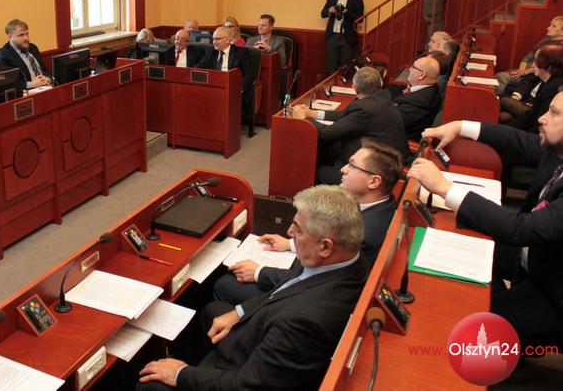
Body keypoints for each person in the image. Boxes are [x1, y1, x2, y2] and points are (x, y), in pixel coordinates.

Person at [137, 185, 367, 390]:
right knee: (213, 311)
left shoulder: (302, 322)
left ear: (325, 247)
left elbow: (247, 385)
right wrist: (239, 313)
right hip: (264, 338)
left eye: (297, 229)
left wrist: (181, 374)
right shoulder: (342, 260)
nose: (289, 233)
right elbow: (289, 286)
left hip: (248, 373)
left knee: (150, 385)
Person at [408, 95, 563, 349]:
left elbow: (522, 228)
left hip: (553, 290)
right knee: (457, 245)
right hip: (534, 255)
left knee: (469, 320)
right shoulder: (557, 149)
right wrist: (460, 126)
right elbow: (519, 141)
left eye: (554, 113)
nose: (541, 119)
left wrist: (444, 188)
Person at [214, 140, 401, 305]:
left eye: (352, 165)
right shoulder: (385, 205)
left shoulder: (366, 233)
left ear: (374, 182)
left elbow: (316, 280)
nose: (343, 169)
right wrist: (290, 245)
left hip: (312, 296)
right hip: (315, 278)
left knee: (224, 284)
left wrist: (259, 272)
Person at [290, 67, 409, 184]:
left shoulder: (364, 108)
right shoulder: (382, 98)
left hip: (377, 168)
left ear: (354, 88)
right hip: (387, 155)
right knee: (333, 147)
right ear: (381, 83)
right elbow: (345, 115)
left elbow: (327, 132)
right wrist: (312, 113)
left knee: (317, 171)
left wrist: (305, 119)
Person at [499, 41, 563, 133]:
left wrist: (507, 134)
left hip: (538, 136)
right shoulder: (546, 82)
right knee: (504, 117)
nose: (532, 65)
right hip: (532, 129)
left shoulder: (554, 89)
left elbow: (538, 128)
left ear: (550, 65)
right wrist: (504, 130)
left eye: (537, 61)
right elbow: (531, 116)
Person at [195, 26, 255, 119]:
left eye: (217, 39)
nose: (214, 42)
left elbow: (249, 74)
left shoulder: (241, 53)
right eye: (213, 39)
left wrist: (238, 89)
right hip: (214, 88)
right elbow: (198, 68)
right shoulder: (211, 52)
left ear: (227, 40)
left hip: (233, 89)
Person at [496, 16, 563, 95]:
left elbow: (546, 67)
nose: (548, 28)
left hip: (534, 76)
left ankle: (495, 100)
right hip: (526, 70)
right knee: (502, 75)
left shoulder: (558, 49)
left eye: (553, 26)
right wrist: (521, 68)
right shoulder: (546, 39)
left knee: (501, 76)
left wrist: (525, 72)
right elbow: (529, 56)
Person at [321, 0, 365, 75]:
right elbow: (323, 14)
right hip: (332, 36)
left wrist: (347, 12)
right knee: (331, 68)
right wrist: (329, 11)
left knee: (345, 69)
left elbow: (360, 19)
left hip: (347, 38)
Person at [392, 56, 442, 140]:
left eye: (413, 67)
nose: (409, 69)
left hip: (397, 140)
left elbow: (391, 123)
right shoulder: (432, 88)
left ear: (422, 75)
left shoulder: (419, 102)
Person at [0, 19, 52, 88]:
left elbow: (44, 69)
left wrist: (48, 78)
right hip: (28, 91)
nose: (26, 38)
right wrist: (31, 84)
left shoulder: (33, 47)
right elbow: (8, 83)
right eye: (21, 35)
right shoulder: (3, 55)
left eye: (27, 34)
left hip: (46, 86)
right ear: (10, 36)